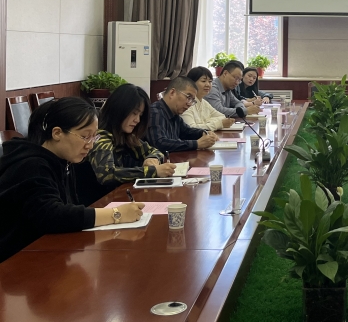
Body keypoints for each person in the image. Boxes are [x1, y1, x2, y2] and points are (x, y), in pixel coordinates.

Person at [0, 97, 145, 263]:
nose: (90, 145)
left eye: (94, 137)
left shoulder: (62, 160)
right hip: (15, 261)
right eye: (85, 137)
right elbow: (52, 216)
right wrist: (116, 214)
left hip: (45, 252)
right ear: (57, 133)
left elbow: (69, 207)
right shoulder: (31, 165)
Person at [76, 84, 177, 205]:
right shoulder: (101, 137)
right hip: (97, 206)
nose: (137, 120)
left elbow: (155, 151)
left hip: (117, 200)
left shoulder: (125, 136)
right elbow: (107, 174)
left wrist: (152, 158)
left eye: (140, 115)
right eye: (134, 113)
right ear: (119, 110)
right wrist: (152, 171)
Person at [147, 76, 217, 152]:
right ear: (172, 93)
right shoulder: (155, 112)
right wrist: (196, 144)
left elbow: (187, 132)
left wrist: (203, 133)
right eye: (188, 97)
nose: (189, 104)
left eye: (192, 100)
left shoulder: (175, 114)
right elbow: (159, 143)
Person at [182, 66, 236, 131]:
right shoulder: (186, 103)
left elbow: (222, 117)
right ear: (191, 83)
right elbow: (191, 128)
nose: (208, 84)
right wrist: (217, 124)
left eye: (210, 81)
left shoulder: (204, 102)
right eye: (203, 81)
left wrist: (205, 124)